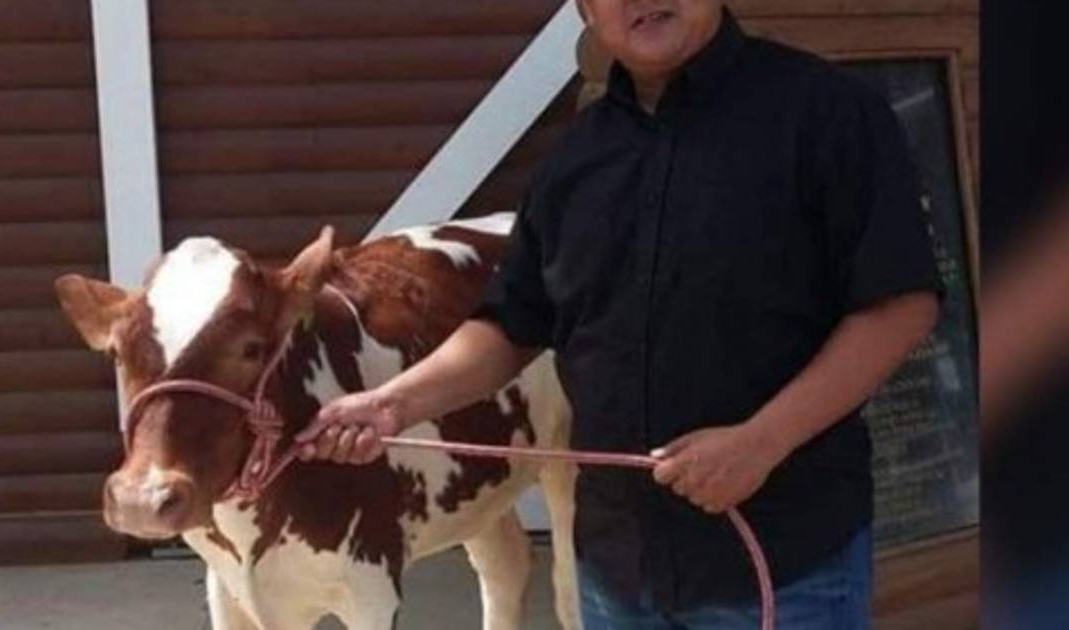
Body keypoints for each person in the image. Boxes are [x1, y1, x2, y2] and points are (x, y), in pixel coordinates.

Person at [297, 1, 941, 627]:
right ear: (586, 11)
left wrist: (761, 443)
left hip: (785, 566)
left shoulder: (827, 114)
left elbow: (900, 305)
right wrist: (393, 404)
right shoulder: (575, 161)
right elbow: (511, 326)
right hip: (618, 571)